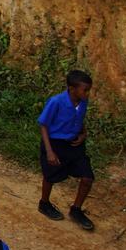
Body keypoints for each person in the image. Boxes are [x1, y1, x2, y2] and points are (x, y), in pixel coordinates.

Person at [37, 70, 96, 231]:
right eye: (85, 90)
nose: (87, 93)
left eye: (88, 90)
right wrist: (49, 151)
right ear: (71, 88)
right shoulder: (56, 102)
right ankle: (44, 203)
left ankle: (76, 209)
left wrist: (83, 134)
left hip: (75, 145)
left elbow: (79, 119)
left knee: (87, 177)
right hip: (56, 143)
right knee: (50, 175)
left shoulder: (83, 101)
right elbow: (43, 125)